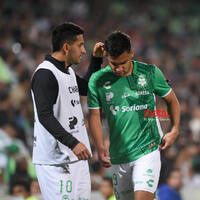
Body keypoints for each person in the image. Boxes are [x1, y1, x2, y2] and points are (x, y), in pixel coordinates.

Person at [88, 31, 180, 200]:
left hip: (148, 149)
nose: (119, 68)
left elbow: (172, 101)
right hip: (118, 155)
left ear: (131, 53)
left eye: (123, 62)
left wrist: (174, 129)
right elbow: (94, 115)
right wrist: (99, 147)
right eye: (114, 63)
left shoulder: (150, 72)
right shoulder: (97, 80)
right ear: (107, 56)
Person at [31, 22, 103, 200]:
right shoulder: (44, 74)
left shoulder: (67, 71)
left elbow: (86, 89)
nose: (83, 50)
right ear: (66, 47)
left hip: (75, 157)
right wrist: (73, 143)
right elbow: (44, 116)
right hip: (55, 161)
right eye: (80, 45)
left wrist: (96, 60)